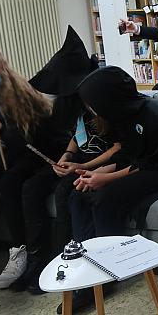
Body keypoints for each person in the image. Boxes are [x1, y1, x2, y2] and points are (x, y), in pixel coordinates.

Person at [16, 28, 121, 294]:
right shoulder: (71, 101)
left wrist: (82, 166)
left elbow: (120, 148)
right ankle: (36, 257)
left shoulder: (103, 96)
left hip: (101, 162)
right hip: (79, 158)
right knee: (31, 187)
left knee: (66, 193)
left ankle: (64, 259)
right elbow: (77, 133)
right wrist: (67, 155)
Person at [69, 66, 158, 241]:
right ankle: (85, 250)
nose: (91, 110)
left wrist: (105, 178)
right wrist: (97, 172)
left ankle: (111, 252)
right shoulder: (122, 116)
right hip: (142, 165)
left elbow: (152, 163)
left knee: (105, 198)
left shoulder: (157, 116)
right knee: (78, 194)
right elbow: (127, 153)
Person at [0, 45, 54, 290]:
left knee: (9, 181)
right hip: (4, 157)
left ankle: (20, 250)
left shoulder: (19, 93)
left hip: (36, 155)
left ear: (1, 66)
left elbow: (25, 144)